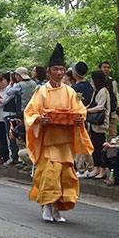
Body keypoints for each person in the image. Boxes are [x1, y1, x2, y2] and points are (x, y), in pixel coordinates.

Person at [24, 43, 94, 222]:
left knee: (65, 176)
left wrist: (79, 119)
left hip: (65, 142)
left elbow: (80, 111)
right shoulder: (42, 91)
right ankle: (47, 206)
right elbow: (30, 113)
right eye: (55, 69)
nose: (59, 73)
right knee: (50, 174)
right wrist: (40, 119)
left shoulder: (70, 91)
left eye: (62, 69)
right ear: (48, 71)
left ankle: (57, 208)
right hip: (49, 141)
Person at [86, 69, 111, 179]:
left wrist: (88, 111)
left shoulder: (103, 91)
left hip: (100, 123)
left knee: (100, 145)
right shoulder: (96, 90)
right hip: (94, 123)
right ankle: (96, 168)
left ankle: (102, 169)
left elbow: (101, 107)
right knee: (94, 146)